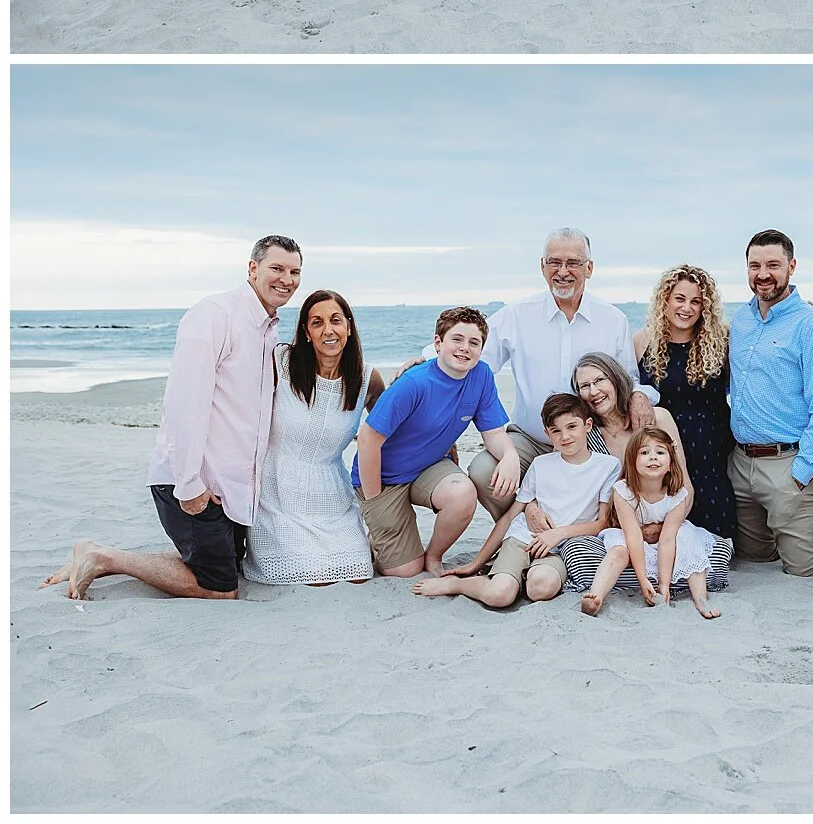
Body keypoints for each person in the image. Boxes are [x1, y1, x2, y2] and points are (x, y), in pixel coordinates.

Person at [41, 236, 303, 600]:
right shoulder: (216, 314)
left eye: (295, 272)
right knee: (220, 588)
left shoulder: (267, 328)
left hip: (230, 489)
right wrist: (190, 483)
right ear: (252, 268)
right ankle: (101, 556)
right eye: (277, 268)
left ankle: (98, 557)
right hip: (194, 482)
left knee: (228, 563)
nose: (287, 280)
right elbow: (184, 405)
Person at [458, 228, 659, 519]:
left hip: (591, 440)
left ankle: (561, 536)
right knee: (482, 472)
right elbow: (472, 356)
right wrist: (425, 360)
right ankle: (524, 525)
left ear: (589, 269)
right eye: (554, 262)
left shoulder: (612, 319)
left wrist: (640, 394)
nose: (562, 271)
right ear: (542, 267)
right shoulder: (516, 315)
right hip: (529, 438)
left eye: (573, 263)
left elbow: (629, 380)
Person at [352, 307, 518, 578]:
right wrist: (375, 500)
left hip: (428, 468)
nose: (465, 348)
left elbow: (495, 434)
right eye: (457, 339)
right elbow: (368, 440)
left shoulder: (482, 376)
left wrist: (510, 457)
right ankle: (379, 538)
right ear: (438, 343)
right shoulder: (414, 383)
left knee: (463, 494)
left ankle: (433, 556)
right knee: (405, 571)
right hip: (382, 477)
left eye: (474, 343)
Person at [411, 393, 619, 608]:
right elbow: (511, 515)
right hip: (523, 538)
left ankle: (518, 578)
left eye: (572, 427)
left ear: (588, 425)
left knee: (541, 589)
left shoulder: (608, 466)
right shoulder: (540, 464)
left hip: (559, 546)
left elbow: (603, 522)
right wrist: (477, 562)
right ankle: (458, 585)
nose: (565, 436)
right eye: (556, 431)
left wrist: (557, 534)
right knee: (500, 596)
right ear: (547, 433)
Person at [243, 290, 380, 586]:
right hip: (277, 496)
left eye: (335, 320)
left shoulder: (366, 378)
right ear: (306, 332)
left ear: (349, 326)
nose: (328, 330)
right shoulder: (281, 362)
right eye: (317, 323)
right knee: (314, 575)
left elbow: (396, 425)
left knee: (357, 573)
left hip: (333, 498)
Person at [727, 229, 813, 576]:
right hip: (740, 463)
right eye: (755, 266)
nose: (763, 274)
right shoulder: (740, 320)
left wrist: (802, 472)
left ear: (791, 266)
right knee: (754, 558)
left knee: (803, 568)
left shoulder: (811, 324)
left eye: (773, 265)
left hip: (789, 463)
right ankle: (811, 532)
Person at [634, 265, 736, 538]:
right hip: (663, 448)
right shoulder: (642, 341)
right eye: (680, 298)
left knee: (719, 537)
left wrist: (808, 314)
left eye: (696, 301)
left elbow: (765, 344)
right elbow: (626, 387)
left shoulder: (722, 341)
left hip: (711, 453)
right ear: (665, 300)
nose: (687, 308)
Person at [583, 427, 724, 619]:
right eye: (644, 452)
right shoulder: (623, 491)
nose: (653, 457)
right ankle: (595, 595)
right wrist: (643, 580)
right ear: (632, 461)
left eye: (660, 452)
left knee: (687, 537)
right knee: (618, 549)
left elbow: (667, 540)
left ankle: (701, 597)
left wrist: (664, 585)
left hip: (666, 543)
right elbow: (632, 535)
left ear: (670, 463)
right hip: (634, 540)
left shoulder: (677, 496)